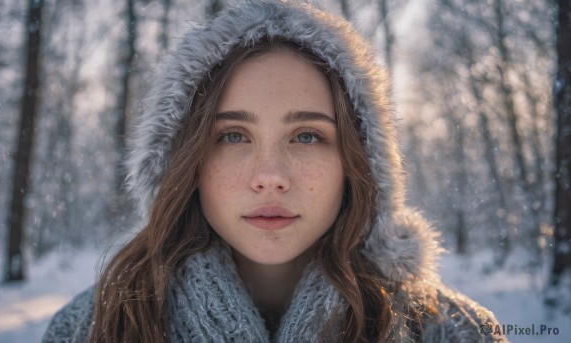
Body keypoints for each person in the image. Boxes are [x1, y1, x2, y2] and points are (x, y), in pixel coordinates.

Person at [43, 1, 507, 342]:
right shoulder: (89, 328)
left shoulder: (456, 332)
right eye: (232, 136)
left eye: (307, 136)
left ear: (357, 163)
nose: (270, 176)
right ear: (183, 164)